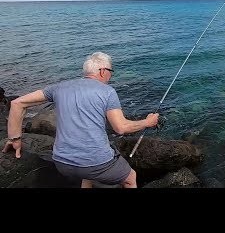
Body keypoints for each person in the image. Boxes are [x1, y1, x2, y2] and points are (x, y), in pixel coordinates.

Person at [2, 52, 159, 188]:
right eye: (111, 72)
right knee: (130, 177)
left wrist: (15, 139)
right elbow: (121, 128)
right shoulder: (107, 92)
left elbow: (18, 103)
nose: (111, 76)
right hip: (96, 164)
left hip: (62, 163)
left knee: (88, 175)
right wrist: (148, 122)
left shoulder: (59, 88)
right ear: (103, 71)